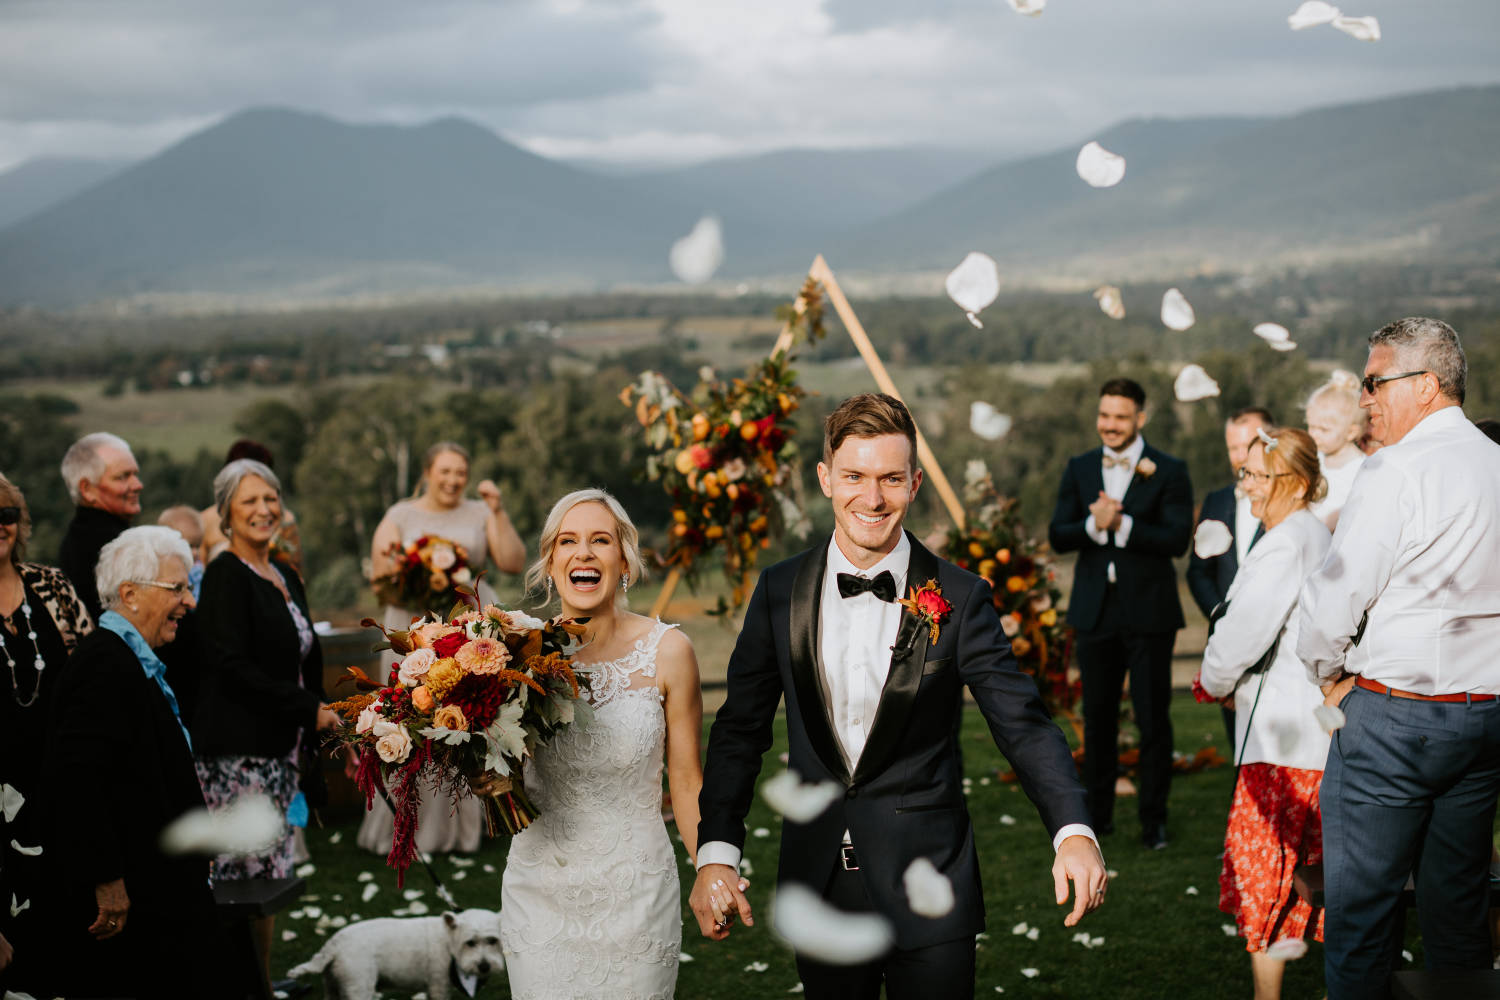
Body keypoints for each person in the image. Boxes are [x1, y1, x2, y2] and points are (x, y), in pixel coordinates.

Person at [693, 393, 1106, 999]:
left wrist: (1072, 831)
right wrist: (716, 853)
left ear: (915, 484)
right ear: (825, 478)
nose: (873, 498)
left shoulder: (960, 597)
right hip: (821, 885)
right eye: (855, 476)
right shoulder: (778, 592)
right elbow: (739, 731)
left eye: (890, 478)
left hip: (932, 883)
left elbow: (1024, 724)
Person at [1298, 317, 1500, 999]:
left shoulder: (1395, 469)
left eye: (1375, 381)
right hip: (1485, 722)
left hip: (1396, 722)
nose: (1364, 398)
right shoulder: (1497, 463)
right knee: (1460, 912)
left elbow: (1335, 601)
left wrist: (1328, 676)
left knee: (1361, 919)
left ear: (1427, 385)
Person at [500, 488, 706, 997]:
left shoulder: (670, 651)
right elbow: (499, 771)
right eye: (567, 541)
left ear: (624, 561)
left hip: (637, 890)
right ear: (551, 563)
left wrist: (710, 868)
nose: (584, 553)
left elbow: (685, 781)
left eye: (600, 540)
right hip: (539, 890)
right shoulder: (509, 656)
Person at [42, 526, 221, 997]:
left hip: (161, 887)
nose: (189, 601)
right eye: (177, 588)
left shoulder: (134, 660)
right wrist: (107, 880)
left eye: (189, 586)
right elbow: (78, 780)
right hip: (138, 899)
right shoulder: (103, 664)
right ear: (130, 595)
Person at [192, 459, 343, 984]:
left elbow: (301, 664)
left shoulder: (285, 575)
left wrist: (324, 712)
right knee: (240, 885)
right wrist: (308, 710)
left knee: (270, 880)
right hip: (238, 756)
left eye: (270, 498)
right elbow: (229, 667)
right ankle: (237, 988)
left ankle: (258, 986)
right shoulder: (223, 575)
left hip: (280, 751)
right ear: (226, 512)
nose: (263, 509)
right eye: (249, 500)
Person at [1197, 427, 1331, 1000]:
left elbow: (1239, 638)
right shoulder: (1309, 534)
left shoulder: (1284, 543)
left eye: (1258, 476)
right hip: (1309, 738)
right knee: (1308, 875)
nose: (1246, 486)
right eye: (1244, 474)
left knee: (1265, 876)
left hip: (1282, 742)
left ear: (1296, 484)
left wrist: (1212, 681)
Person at [357, 442, 526, 857]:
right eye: (445, 472)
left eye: (460, 473)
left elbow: (512, 560)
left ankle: (468, 827)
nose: (452, 481)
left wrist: (498, 509)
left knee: (467, 715)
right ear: (428, 472)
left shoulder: (479, 512)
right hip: (410, 628)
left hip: (466, 625)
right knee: (409, 713)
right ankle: (405, 826)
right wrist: (414, 574)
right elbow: (381, 570)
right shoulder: (400, 514)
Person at [1048, 377, 1193, 849]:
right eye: (1104, 415)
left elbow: (1175, 540)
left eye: (1120, 417)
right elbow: (1058, 534)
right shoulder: (1080, 466)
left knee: (1153, 719)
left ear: (1140, 419)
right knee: (1098, 718)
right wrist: (1093, 523)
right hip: (1095, 613)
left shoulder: (1170, 470)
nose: (1109, 425)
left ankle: (1154, 822)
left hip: (1149, 614)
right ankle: (1098, 820)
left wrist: (1124, 523)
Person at [0, 474, 93, 993]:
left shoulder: (51, 584)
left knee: (67, 945)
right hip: (1, 809)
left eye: (6, 514)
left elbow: (92, 680)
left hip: (62, 790)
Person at [1186, 406, 1275, 757]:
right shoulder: (1217, 501)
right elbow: (1197, 570)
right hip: (1226, 644)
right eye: (1232, 448)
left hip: (1273, 652)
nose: (1239, 456)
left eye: (1247, 445)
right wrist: (1218, 611)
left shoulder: (1286, 506)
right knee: (1239, 754)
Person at [56, 432, 142, 619]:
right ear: (87, 489)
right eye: (123, 477)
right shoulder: (114, 548)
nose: (137, 485)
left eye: (135, 474)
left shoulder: (75, 539)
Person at [200, 439, 302, 574]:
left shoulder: (285, 520)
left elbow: (295, 566)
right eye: (249, 501)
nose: (263, 511)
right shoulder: (204, 520)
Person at [1303, 370, 1368, 532]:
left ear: (1351, 432)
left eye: (1324, 430)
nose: (1314, 435)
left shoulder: (1362, 468)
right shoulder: (1312, 459)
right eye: (1311, 427)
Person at [157, 504, 206, 598]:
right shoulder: (163, 573)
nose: (195, 552)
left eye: (198, 546)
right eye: (189, 546)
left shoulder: (197, 569)